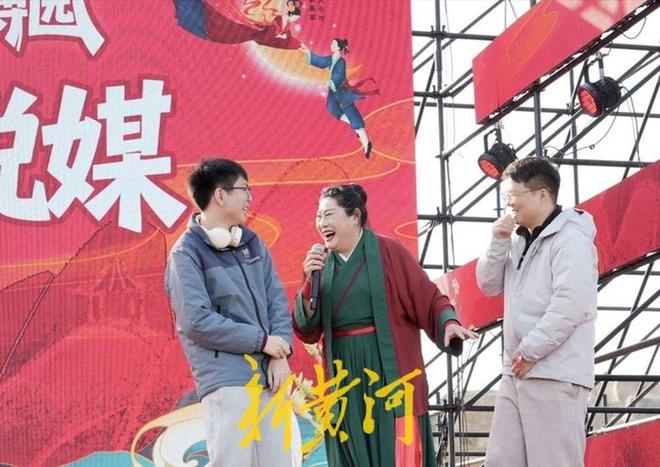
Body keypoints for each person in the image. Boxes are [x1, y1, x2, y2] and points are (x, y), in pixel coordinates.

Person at [292, 183, 477, 466]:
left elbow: (427, 297)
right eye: (319, 216)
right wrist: (308, 283)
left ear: (355, 216)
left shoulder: (389, 252)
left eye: (329, 215)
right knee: (349, 446)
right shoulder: (321, 266)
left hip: (386, 367)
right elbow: (307, 329)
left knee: (392, 448)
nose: (322, 223)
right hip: (343, 372)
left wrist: (447, 323)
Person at [165, 158, 300, 467]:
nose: (249, 197)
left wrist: (280, 353)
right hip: (227, 381)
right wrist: (262, 341)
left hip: (270, 376)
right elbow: (197, 321)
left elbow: (277, 302)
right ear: (220, 195)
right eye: (244, 189)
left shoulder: (253, 243)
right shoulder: (186, 253)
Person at [476, 157, 597, 467]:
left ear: (542, 194)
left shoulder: (571, 240)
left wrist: (530, 351)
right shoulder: (517, 239)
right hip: (516, 371)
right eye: (505, 197)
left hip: (554, 372)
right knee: (501, 461)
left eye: (513, 196)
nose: (508, 204)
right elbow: (488, 285)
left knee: (554, 461)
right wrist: (497, 242)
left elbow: (571, 304)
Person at [299, 39, 377, 159]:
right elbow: (322, 61)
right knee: (332, 108)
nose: (331, 45)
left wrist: (332, 82)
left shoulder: (341, 61)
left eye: (333, 44)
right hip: (333, 89)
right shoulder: (331, 58)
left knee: (353, 116)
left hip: (341, 90)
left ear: (339, 48)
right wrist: (308, 52)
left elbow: (339, 75)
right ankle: (355, 127)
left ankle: (366, 143)